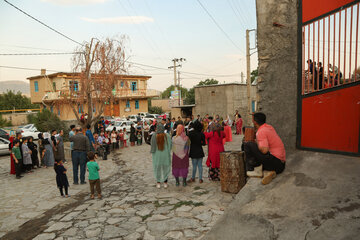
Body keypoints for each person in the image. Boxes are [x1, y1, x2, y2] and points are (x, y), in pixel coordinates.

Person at [244, 112, 286, 185]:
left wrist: (255, 145)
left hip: (275, 163)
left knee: (248, 145)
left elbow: (264, 150)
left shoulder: (261, 131)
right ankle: (269, 172)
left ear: (255, 122)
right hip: (281, 165)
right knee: (253, 145)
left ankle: (255, 169)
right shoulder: (269, 127)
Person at [150, 124, 172, 189]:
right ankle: (165, 182)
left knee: (157, 169)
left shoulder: (154, 136)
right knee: (165, 168)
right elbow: (170, 145)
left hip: (157, 156)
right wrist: (168, 151)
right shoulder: (167, 136)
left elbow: (152, 146)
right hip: (165, 155)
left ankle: (158, 182)